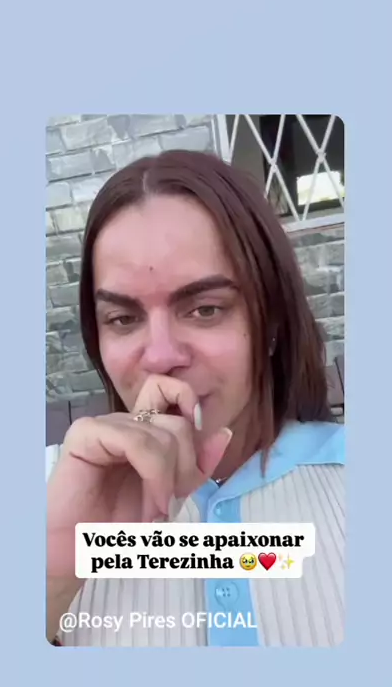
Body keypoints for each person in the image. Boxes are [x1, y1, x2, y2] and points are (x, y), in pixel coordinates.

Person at [46, 149, 345, 648]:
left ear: (271, 320)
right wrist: (51, 573)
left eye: (206, 309)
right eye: (122, 318)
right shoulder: (46, 488)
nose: (161, 357)